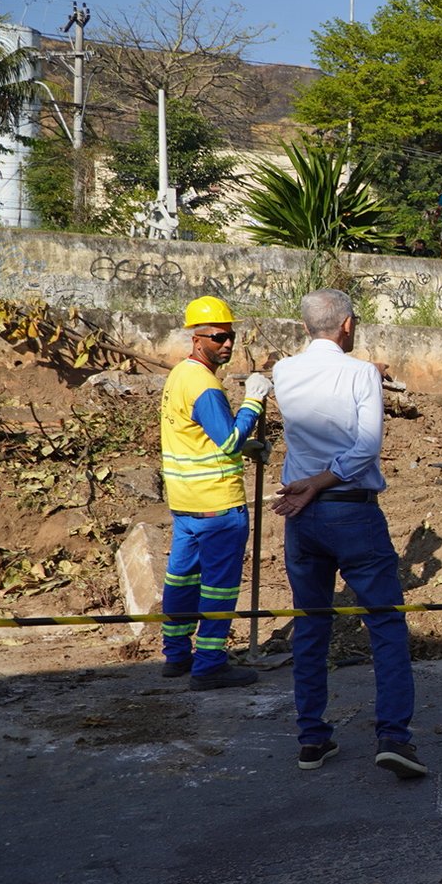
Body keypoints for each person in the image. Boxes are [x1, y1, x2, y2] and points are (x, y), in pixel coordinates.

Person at [271, 289, 424, 779]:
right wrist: (322, 480)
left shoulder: (285, 372)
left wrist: (309, 482)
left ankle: (312, 739)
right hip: (349, 510)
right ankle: (394, 736)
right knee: (385, 622)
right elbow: (366, 447)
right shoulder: (360, 373)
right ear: (347, 326)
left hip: (302, 516)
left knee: (312, 624)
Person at [159, 295, 269, 690]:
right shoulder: (205, 385)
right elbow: (227, 441)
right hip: (218, 506)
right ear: (197, 337)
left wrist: (247, 446)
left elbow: (198, 438)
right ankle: (208, 665)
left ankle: (175, 656)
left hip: (185, 505)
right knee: (219, 588)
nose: (227, 344)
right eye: (218, 337)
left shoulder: (179, 376)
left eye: (231, 337)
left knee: (181, 581)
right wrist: (254, 401)